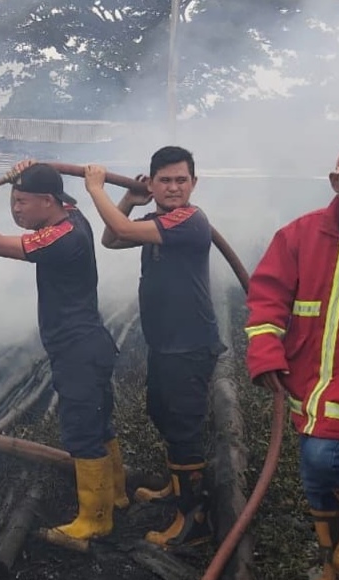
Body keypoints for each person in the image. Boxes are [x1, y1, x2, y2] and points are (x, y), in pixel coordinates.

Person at [0, 161, 124, 552]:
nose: (15, 209)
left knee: (82, 431)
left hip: (78, 349)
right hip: (89, 344)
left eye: (22, 201)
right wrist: (27, 167)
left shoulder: (64, 237)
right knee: (99, 423)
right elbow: (42, 193)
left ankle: (95, 520)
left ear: (48, 201)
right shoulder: (71, 215)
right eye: (12, 199)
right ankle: (116, 495)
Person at [245, 137, 339, 580]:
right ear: (335, 182)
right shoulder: (298, 235)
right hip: (309, 378)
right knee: (315, 469)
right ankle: (333, 563)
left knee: (322, 458)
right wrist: (265, 354)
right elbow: (267, 298)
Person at [82, 146, 223, 548]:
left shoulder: (191, 221)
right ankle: (177, 488)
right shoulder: (159, 218)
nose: (174, 187)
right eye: (165, 180)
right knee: (162, 414)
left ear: (194, 183)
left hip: (189, 345)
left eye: (181, 180)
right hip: (166, 342)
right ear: (153, 182)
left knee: (184, 427)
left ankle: (194, 521)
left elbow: (122, 232)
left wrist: (96, 189)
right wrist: (127, 198)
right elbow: (112, 239)